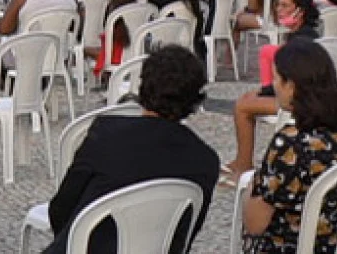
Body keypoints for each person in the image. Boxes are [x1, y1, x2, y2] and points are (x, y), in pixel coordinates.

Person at [44, 45, 218, 254]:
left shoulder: (106, 133)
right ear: (195, 101)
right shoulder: (205, 160)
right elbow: (185, 232)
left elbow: (61, 208)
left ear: (143, 86)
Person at [241, 40, 337, 254]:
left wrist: (253, 184)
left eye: (276, 78)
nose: (274, 86)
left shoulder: (291, 144)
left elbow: (255, 223)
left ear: (291, 85)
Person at [223, 0, 323, 183]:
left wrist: (262, 90)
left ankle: (243, 165)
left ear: (299, 11)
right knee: (247, 100)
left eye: (285, 5)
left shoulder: (300, 41)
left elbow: (291, 79)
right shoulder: (307, 35)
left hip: (301, 99)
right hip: (306, 94)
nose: (278, 9)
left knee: (242, 106)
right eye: (277, 5)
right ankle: (241, 161)